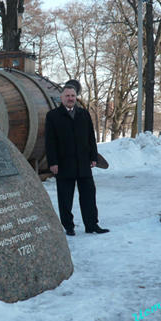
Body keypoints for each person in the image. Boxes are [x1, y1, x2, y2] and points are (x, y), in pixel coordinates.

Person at [45, 80, 109, 236]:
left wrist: (93, 157)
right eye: (67, 95)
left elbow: (90, 138)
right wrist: (52, 162)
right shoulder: (53, 116)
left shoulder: (83, 114)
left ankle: (92, 225)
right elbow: (50, 141)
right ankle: (69, 226)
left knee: (89, 196)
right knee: (65, 199)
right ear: (61, 98)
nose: (70, 98)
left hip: (83, 163)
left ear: (76, 97)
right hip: (64, 164)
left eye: (73, 95)